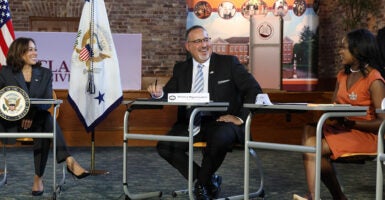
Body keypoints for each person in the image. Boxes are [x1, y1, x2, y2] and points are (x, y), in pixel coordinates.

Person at [147, 25, 263, 200]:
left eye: (206, 40)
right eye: (198, 41)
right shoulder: (181, 68)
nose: (204, 45)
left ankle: (201, 185)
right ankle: (208, 182)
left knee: (218, 138)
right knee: (165, 146)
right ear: (188, 46)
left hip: (223, 122)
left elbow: (254, 89)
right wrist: (159, 93)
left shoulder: (228, 63)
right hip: (192, 122)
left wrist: (240, 117)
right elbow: (169, 93)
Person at [293, 29, 385, 200]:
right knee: (309, 130)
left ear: (358, 50)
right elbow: (334, 106)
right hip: (343, 128)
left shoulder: (375, 79)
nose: (340, 51)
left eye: (344, 48)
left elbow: (383, 123)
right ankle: (315, 195)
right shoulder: (342, 75)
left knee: (314, 146)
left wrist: (352, 123)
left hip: (366, 135)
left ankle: (331, 197)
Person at [0, 37, 90, 196]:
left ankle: (39, 178)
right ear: (19, 52)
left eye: (35, 49)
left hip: (36, 121)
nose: (35, 52)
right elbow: (2, 99)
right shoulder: (6, 73)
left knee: (47, 120)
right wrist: (22, 115)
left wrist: (31, 114)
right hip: (11, 122)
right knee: (47, 122)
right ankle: (68, 160)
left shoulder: (45, 73)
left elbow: (47, 100)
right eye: (30, 49)